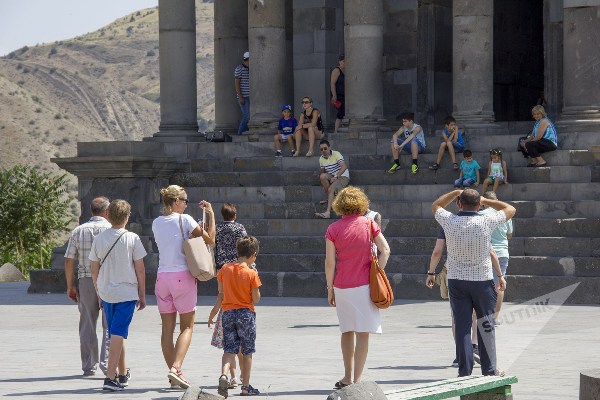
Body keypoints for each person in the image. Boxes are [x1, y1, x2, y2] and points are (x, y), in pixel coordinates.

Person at [432, 189, 516, 377]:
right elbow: (510, 209)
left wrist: (454, 192)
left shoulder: (449, 220)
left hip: (457, 280)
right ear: (479, 205)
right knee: (486, 324)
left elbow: (436, 205)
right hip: (482, 280)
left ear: (459, 204)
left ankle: (464, 370)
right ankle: (489, 369)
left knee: (462, 327)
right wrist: (487, 200)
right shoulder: (487, 220)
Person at [325, 186, 391, 388]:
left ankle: (346, 377)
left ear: (340, 205)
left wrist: (330, 288)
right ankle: (357, 379)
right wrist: (377, 270)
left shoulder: (333, 229)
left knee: (346, 331)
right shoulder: (369, 224)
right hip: (364, 285)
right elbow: (385, 249)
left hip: (342, 286)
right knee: (363, 333)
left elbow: (329, 263)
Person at [152, 185, 216, 389]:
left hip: (162, 277)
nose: (187, 204)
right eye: (185, 201)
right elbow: (210, 240)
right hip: (182, 276)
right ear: (176, 201)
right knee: (187, 326)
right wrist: (211, 215)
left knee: (166, 330)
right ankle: (176, 367)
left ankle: (174, 376)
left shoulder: (156, 222)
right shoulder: (185, 219)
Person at [89, 199, 147, 391]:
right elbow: (140, 270)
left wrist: (98, 291)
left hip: (106, 291)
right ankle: (110, 376)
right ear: (127, 217)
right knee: (118, 333)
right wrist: (143, 294)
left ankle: (122, 374)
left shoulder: (99, 238)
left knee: (116, 332)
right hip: (126, 292)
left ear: (107, 215)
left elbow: (94, 268)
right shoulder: (133, 238)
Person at [426, 228, 502, 367]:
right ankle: (474, 346)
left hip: (455, 275)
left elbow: (437, 252)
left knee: (457, 317)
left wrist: (431, 272)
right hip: (478, 275)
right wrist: (500, 275)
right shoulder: (482, 223)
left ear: (460, 204)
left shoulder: (448, 224)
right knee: (477, 315)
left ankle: (461, 353)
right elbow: (491, 252)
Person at [64, 196, 111, 376]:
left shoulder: (78, 231)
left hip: (85, 280)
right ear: (107, 212)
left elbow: (69, 260)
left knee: (87, 324)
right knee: (110, 323)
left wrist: (70, 285)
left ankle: (89, 364)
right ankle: (107, 363)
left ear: (91, 211)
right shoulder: (112, 230)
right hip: (108, 280)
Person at [214, 236, 262, 397]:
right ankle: (246, 386)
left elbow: (221, 292)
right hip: (245, 314)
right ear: (253, 255)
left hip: (227, 313)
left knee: (229, 350)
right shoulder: (251, 273)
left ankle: (223, 375)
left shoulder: (224, 269)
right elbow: (256, 298)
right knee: (247, 351)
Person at [481, 191, 514, 322]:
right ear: (496, 200)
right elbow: (509, 235)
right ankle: (494, 318)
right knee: (499, 286)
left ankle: (480, 316)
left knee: (482, 285)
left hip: (485, 253)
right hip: (502, 252)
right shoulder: (506, 215)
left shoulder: (481, 215)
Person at [315, 140, 349, 219]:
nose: (323, 150)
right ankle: (331, 196)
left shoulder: (336, 154)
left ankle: (327, 212)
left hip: (342, 176)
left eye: (325, 148)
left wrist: (336, 177)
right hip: (332, 176)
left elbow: (344, 167)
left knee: (331, 189)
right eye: (321, 149)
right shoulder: (321, 159)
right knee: (322, 176)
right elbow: (323, 172)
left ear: (329, 147)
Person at [234, 51, 250, 135]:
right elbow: (237, 83)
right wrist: (240, 97)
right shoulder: (239, 68)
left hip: (251, 97)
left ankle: (246, 133)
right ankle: (239, 134)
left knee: (251, 117)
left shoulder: (251, 69)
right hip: (244, 97)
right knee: (247, 116)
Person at [330, 54, 345, 133]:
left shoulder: (345, 70)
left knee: (344, 113)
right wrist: (334, 95)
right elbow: (332, 83)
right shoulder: (336, 70)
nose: (345, 63)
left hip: (345, 96)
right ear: (340, 61)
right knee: (341, 112)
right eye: (343, 61)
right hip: (338, 96)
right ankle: (336, 131)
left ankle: (340, 130)